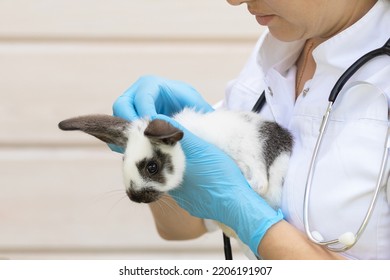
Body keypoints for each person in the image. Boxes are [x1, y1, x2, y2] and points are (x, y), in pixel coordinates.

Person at [112, 0, 390, 259]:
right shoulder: (276, 50)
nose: (233, 0)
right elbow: (183, 227)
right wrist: (158, 151)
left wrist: (248, 218)